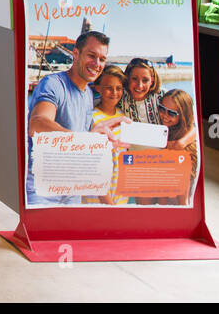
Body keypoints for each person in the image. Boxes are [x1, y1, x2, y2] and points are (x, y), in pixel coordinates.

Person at [26, 30, 121, 206]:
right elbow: (37, 125)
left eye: (102, 59)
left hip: (72, 191)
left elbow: (82, 142)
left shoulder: (87, 95)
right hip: (42, 191)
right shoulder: (53, 84)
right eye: (91, 56)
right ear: (76, 54)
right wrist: (85, 140)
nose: (97, 64)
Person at [88, 67, 130, 205]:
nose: (114, 93)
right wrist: (107, 202)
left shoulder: (123, 116)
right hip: (99, 199)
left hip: (120, 195)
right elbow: (92, 166)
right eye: (109, 88)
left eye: (119, 88)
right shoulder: (92, 118)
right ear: (97, 88)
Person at [157, 89, 199, 206]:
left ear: (183, 115)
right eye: (162, 109)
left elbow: (183, 201)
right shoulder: (164, 127)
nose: (165, 116)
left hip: (179, 199)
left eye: (172, 113)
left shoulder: (183, 144)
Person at [119, 58, 162, 124]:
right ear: (128, 78)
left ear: (152, 81)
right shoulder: (119, 97)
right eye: (134, 79)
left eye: (145, 80)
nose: (140, 85)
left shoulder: (162, 97)